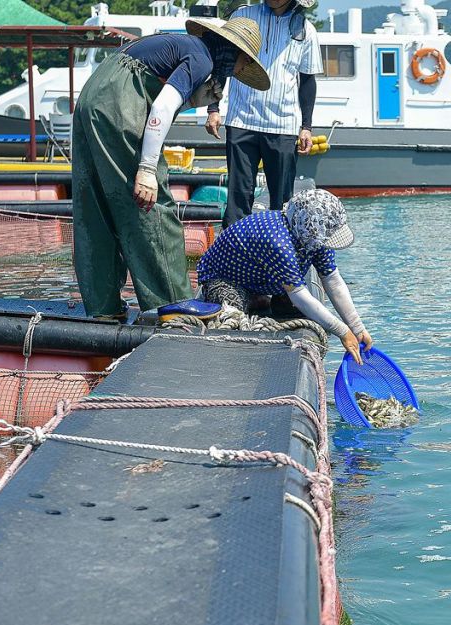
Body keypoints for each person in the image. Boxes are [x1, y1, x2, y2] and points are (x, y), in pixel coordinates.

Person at [71, 17, 270, 319]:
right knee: (152, 204)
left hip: (92, 97)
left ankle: (103, 307)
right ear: (234, 53)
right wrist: (146, 169)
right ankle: (174, 303)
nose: (241, 71)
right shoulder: (202, 59)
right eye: (245, 63)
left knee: (96, 205)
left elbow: (148, 90)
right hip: (118, 106)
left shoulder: (186, 47)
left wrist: (192, 101)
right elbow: (161, 107)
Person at [196, 189, 372, 363]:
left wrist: (357, 327)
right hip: (225, 278)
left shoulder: (318, 238)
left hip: (261, 277)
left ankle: (262, 300)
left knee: (294, 309)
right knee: (232, 317)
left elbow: (333, 280)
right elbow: (298, 294)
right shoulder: (279, 243)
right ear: (310, 228)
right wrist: (342, 331)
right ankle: (252, 301)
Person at [205, 0, 322, 227]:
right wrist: (213, 108)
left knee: (283, 202)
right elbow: (223, 61)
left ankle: (281, 246)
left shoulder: (306, 30)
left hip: (283, 125)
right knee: (238, 198)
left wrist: (306, 127)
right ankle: (234, 246)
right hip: (241, 119)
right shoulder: (242, 16)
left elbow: (308, 80)